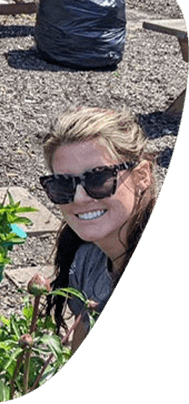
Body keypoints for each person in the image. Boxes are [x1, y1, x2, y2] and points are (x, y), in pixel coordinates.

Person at [39, 107, 155, 351]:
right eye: (62, 185)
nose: (79, 198)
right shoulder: (87, 259)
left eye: (98, 179)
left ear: (142, 175)